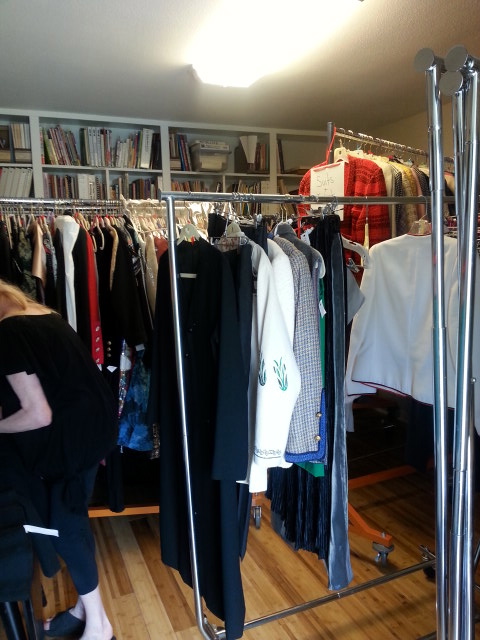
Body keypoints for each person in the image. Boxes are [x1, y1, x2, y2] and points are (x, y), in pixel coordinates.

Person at [0, 279, 118, 640]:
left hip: (75, 437)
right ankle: (86, 608)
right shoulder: (37, 312)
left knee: (64, 526)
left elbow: (38, 414)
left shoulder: (7, 334)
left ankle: (99, 626)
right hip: (93, 424)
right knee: (73, 518)